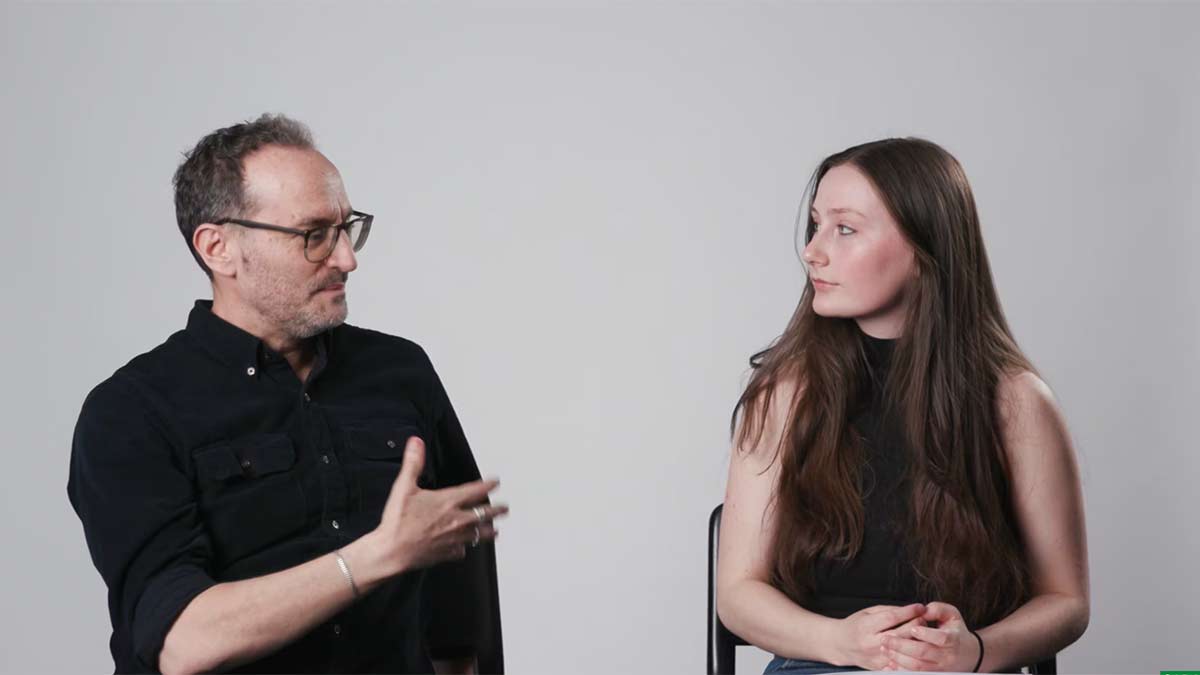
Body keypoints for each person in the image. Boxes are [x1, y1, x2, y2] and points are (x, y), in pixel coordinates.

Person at [67, 114, 507, 675]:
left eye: (347, 228)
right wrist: (377, 556)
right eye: (313, 235)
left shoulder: (401, 369)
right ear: (218, 248)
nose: (347, 258)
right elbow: (181, 640)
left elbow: (460, 589)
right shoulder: (131, 412)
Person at [716, 138, 1089, 673]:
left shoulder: (1018, 402)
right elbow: (737, 594)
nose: (812, 250)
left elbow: (1066, 601)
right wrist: (841, 642)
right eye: (816, 225)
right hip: (820, 663)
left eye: (845, 229)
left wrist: (976, 651)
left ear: (923, 245)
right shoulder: (785, 395)